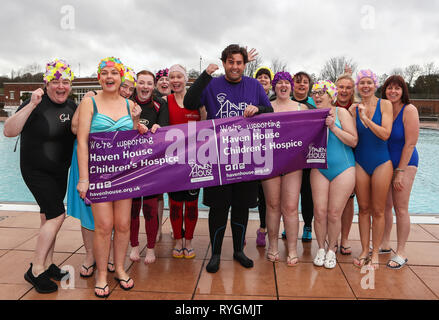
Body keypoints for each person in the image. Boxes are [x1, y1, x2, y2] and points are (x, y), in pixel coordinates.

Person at [183, 44, 273, 273]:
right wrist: (204, 75)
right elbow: (189, 103)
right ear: (224, 63)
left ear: (245, 64)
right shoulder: (212, 84)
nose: (235, 66)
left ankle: (238, 251)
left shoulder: (253, 85)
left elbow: (270, 111)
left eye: (239, 62)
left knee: (242, 207)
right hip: (218, 158)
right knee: (218, 208)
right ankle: (215, 254)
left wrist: (258, 109)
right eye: (230, 62)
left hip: (246, 157)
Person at [3, 59, 76, 293]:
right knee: (57, 215)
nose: (60, 86)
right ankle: (35, 270)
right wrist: (30, 105)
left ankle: (47, 264)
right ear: (47, 84)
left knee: (48, 218)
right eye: (55, 81)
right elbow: (9, 131)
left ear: (70, 85)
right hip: (36, 170)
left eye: (65, 82)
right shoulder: (34, 103)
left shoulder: (73, 107)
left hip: (59, 172)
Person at [76, 57, 139, 298]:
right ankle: (102, 274)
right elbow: (82, 141)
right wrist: (84, 178)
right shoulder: (89, 103)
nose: (109, 77)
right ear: (99, 77)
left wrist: (135, 120)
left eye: (114, 73)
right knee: (103, 226)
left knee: (123, 225)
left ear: (121, 77)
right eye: (105, 73)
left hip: (124, 174)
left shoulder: (129, 104)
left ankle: (120, 268)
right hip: (99, 174)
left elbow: (133, 141)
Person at [310, 80, 357, 269]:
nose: (318, 96)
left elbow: (353, 140)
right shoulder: (310, 116)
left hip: (343, 168)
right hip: (319, 168)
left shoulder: (341, 113)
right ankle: (320, 248)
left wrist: (333, 127)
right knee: (319, 212)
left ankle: (331, 249)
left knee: (334, 213)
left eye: (322, 93)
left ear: (331, 96)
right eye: (315, 93)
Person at [349, 69, 393, 270]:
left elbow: (385, 134)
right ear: (358, 86)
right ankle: (365, 249)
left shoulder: (385, 104)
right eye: (362, 83)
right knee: (364, 209)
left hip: (381, 162)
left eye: (369, 82)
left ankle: (375, 252)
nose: (365, 86)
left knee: (378, 209)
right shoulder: (353, 108)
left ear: (375, 85)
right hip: (360, 162)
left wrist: (366, 119)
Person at [262, 71, 306, 266]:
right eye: (279, 83)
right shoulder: (266, 108)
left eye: (286, 82)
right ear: (274, 87)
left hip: (293, 164)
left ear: (291, 86)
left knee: (290, 207)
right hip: (270, 163)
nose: (283, 85)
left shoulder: (301, 108)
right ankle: (272, 245)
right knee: (272, 205)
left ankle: (292, 248)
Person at [129, 70, 169, 264]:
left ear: (153, 86)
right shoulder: (126, 102)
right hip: (131, 165)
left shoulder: (160, 104)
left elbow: (164, 129)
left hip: (152, 165)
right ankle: (135, 245)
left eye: (149, 83)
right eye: (142, 83)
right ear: (136, 84)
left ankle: (151, 248)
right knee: (133, 209)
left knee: (150, 208)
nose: (145, 87)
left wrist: (158, 129)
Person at [380, 75, 419, 269]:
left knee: (400, 208)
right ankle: (385, 244)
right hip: (386, 164)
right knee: (385, 206)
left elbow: (411, 143)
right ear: (385, 90)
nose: (393, 91)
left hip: (405, 163)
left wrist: (400, 171)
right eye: (389, 88)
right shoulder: (384, 108)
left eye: (397, 88)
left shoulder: (409, 109)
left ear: (403, 91)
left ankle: (401, 252)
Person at [166, 64, 203, 259]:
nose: (175, 80)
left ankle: (188, 241)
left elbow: (209, 126)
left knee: (191, 204)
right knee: (174, 204)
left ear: (186, 79)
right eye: (172, 77)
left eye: (179, 76)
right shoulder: (165, 100)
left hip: (194, 162)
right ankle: (178, 240)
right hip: (172, 164)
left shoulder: (197, 102)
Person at [289, 71, 316, 242]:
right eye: (298, 82)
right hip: (289, 157)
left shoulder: (315, 106)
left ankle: (307, 225)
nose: (301, 84)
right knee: (289, 195)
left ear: (309, 86)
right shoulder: (286, 103)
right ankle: (289, 226)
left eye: (305, 82)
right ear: (293, 85)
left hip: (307, 157)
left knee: (307, 193)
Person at [334, 72, 357, 255]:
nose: (344, 90)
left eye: (348, 87)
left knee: (349, 200)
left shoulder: (358, 108)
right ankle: (331, 238)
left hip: (353, 157)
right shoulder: (328, 105)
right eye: (341, 87)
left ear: (353, 90)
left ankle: (345, 238)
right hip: (334, 158)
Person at [253, 66, 274, 247]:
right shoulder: (248, 97)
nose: (263, 79)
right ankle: (242, 229)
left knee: (267, 195)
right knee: (249, 194)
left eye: (266, 77)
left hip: (269, 152)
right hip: (249, 151)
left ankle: (264, 228)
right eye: (259, 77)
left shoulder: (276, 100)